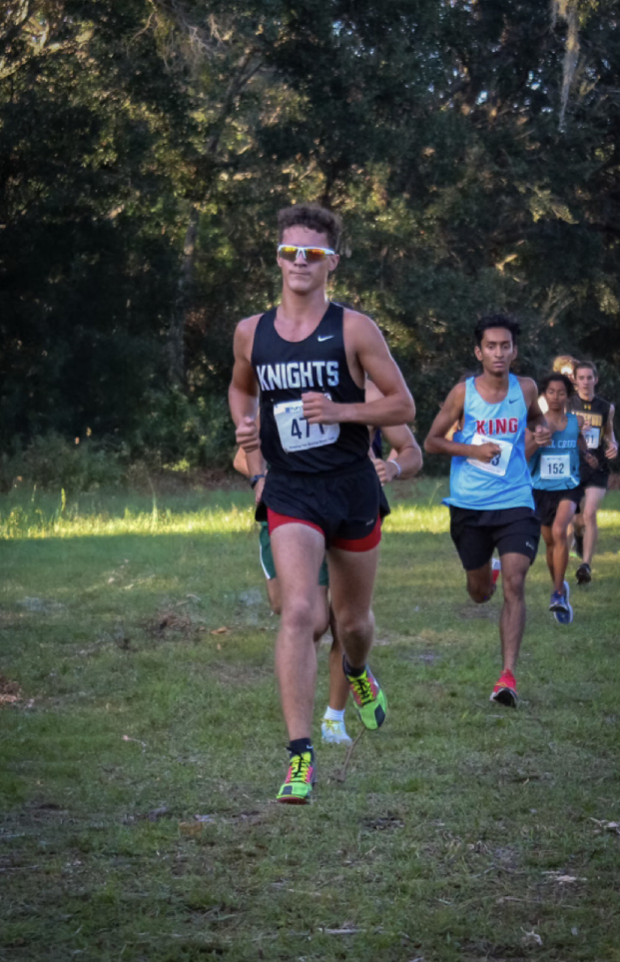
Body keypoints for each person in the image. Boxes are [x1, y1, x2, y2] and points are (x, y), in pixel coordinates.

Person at [228, 203, 415, 803]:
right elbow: (239, 386)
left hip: (352, 488)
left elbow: (403, 407)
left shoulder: (355, 329)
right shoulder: (251, 332)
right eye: (289, 252)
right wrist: (245, 427)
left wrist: (342, 411)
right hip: (290, 490)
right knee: (299, 612)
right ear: (277, 257)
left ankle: (356, 674)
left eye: (311, 253)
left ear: (332, 260)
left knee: (353, 624)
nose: (299, 262)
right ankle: (299, 758)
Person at [233, 389, 423, 747]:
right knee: (305, 617)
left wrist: (392, 466)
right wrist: (262, 478)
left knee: (344, 620)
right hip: (293, 504)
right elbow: (243, 455)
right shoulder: (282, 385)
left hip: (348, 502)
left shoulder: (367, 393)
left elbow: (413, 452)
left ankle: (334, 717)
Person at [424, 314, 549, 708]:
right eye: (491, 346)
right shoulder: (463, 394)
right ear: (479, 352)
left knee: (516, 582)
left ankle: (507, 677)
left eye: (505, 345)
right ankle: (485, 574)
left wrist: (542, 430)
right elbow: (431, 442)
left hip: (515, 501)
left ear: (515, 350)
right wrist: (472, 450)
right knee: (480, 593)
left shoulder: (527, 388)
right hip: (470, 507)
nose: (499, 352)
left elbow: (536, 419)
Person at [525, 372, 595, 624]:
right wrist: (538, 441)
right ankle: (560, 585)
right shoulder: (534, 424)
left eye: (562, 392)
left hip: (568, 486)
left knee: (558, 531)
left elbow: (579, 443)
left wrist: (587, 456)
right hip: (541, 490)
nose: (556, 397)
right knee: (550, 543)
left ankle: (557, 596)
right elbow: (523, 456)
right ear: (544, 395)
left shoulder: (576, 421)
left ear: (569, 395)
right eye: (551, 392)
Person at [568, 361, 618, 584]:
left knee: (589, 514)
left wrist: (614, 446)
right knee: (575, 520)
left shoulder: (606, 407)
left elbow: (609, 435)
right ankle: (578, 537)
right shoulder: (568, 404)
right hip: (572, 467)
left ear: (596, 379)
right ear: (575, 380)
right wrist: (575, 429)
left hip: (597, 468)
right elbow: (556, 430)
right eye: (582, 378)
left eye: (590, 378)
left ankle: (585, 566)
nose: (586, 382)